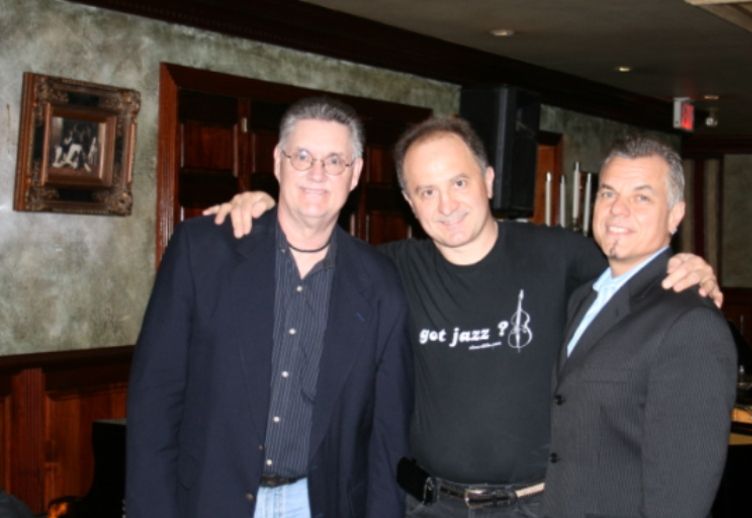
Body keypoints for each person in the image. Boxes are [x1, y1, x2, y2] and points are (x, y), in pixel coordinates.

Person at [207, 116, 722, 517]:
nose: (446, 205)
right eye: (426, 191)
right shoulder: (387, 270)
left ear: (488, 179)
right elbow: (307, 248)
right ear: (409, 202)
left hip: (534, 506)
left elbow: (631, 271)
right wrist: (265, 207)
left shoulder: (561, 255)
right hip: (426, 505)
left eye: (458, 182)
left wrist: (687, 265)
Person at [126, 97, 413, 518]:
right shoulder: (201, 251)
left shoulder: (381, 283)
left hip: (318, 505)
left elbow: (388, 436)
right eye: (303, 156)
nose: (317, 173)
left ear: (354, 174)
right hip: (208, 501)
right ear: (278, 161)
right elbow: (155, 399)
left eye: (335, 161)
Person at [541, 137, 736, 518]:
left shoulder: (691, 323)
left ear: (676, 215)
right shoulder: (583, 297)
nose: (618, 209)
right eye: (608, 193)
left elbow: (682, 492)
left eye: (641, 197)